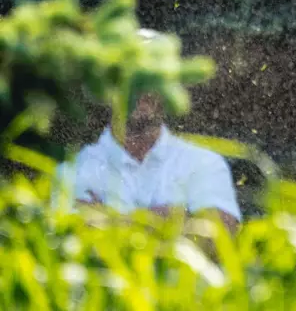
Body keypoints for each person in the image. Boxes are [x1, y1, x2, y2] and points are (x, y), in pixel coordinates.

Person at [55, 93, 241, 232]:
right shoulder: (74, 170)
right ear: (107, 89)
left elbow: (219, 237)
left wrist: (110, 221)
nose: (141, 89)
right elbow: (75, 243)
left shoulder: (203, 162)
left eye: (150, 77)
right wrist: (177, 217)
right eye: (131, 76)